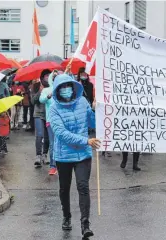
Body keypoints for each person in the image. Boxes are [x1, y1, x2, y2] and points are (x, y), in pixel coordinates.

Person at [49, 74, 100, 238]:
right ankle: (66, 216)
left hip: (83, 155)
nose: (66, 89)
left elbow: (93, 123)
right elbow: (61, 134)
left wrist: (95, 110)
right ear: (57, 90)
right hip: (63, 156)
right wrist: (86, 140)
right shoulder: (54, 108)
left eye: (68, 86)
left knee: (83, 186)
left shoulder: (83, 102)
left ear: (73, 87)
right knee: (64, 189)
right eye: (62, 87)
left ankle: (85, 224)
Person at [39, 70, 58, 175]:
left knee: (61, 143)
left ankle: (61, 164)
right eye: (53, 78)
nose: (55, 80)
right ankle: (53, 166)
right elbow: (41, 100)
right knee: (52, 144)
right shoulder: (46, 90)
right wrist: (48, 96)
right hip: (50, 121)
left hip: (62, 121)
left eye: (57, 78)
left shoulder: (62, 90)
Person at [31, 71, 51, 167]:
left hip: (49, 114)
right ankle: (38, 156)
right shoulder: (36, 86)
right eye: (46, 75)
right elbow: (33, 101)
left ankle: (45, 155)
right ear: (42, 77)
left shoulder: (52, 85)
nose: (47, 77)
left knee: (47, 137)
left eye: (49, 76)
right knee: (39, 135)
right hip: (38, 114)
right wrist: (40, 91)